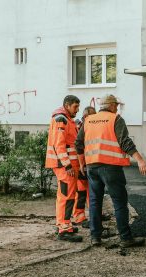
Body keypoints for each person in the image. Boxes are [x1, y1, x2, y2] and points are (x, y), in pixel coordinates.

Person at [75, 94, 146, 248]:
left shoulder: (88, 120)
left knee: (95, 202)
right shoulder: (116, 119)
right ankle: (125, 238)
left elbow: (78, 143)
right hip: (110, 168)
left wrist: (82, 163)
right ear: (111, 105)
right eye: (116, 105)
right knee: (120, 202)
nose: (117, 108)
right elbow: (125, 142)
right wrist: (140, 159)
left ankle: (95, 237)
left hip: (92, 167)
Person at [45, 95, 83, 242]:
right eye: (75, 107)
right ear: (67, 105)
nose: (77, 110)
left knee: (67, 195)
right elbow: (59, 145)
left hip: (66, 165)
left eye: (78, 107)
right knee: (66, 196)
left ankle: (64, 223)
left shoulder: (65, 119)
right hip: (64, 166)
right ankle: (64, 228)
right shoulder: (61, 119)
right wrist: (67, 164)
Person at [72, 106, 96, 228]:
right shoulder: (80, 127)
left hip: (89, 163)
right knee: (81, 191)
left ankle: (95, 215)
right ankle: (78, 216)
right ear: (86, 116)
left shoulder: (89, 126)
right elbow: (78, 146)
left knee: (91, 191)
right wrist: (82, 164)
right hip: (81, 163)